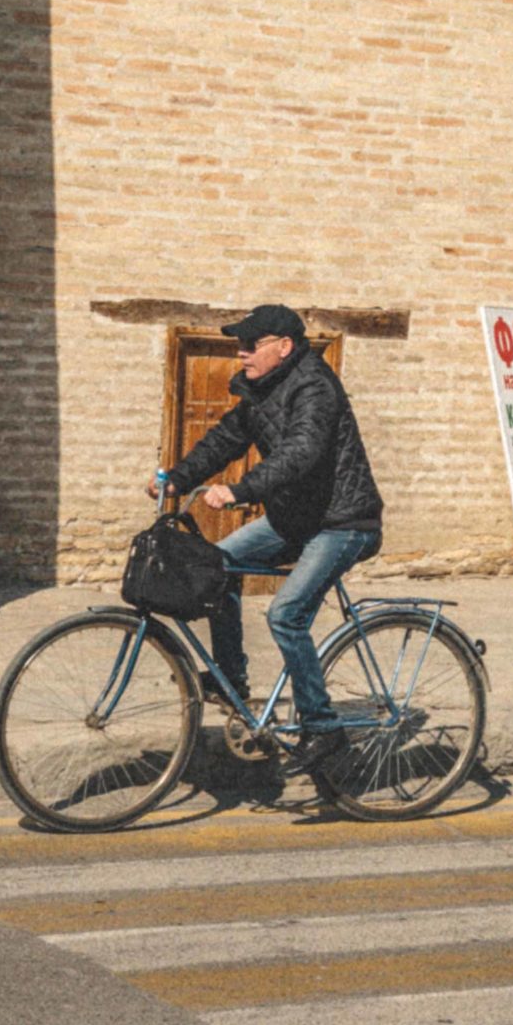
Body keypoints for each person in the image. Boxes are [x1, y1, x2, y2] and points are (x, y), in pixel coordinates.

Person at [153, 304, 382, 762]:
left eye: (250, 346)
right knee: (217, 565)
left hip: (343, 523)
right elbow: (224, 439)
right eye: (238, 346)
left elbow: (302, 452)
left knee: (286, 614)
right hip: (299, 519)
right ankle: (229, 678)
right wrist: (178, 477)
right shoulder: (262, 391)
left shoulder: (316, 387)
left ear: (284, 346)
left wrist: (240, 490)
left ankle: (322, 725)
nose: (241, 355)